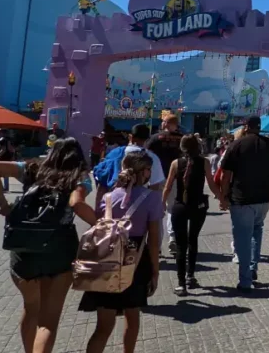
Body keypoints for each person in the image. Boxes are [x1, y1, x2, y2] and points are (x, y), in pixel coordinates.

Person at [0, 138, 96, 353]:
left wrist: (4, 205)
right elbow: (77, 203)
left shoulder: (32, 169)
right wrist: (101, 224)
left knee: (30, 307)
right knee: (48, 321)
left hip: (23, 250)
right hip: (59, 251)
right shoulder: (79, 177)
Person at [81, 151, 162, 353]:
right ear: (144, 172)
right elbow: (153, 240)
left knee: (103, 326)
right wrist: (155, 270)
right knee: (132, 318)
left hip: (106, 259)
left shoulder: (108, 197)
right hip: (134, 261)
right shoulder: (152, 198)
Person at [218, 116, 269, 292]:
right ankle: (253, 268)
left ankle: (245, 280)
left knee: (242, 238)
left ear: (246, 127)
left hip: (241, 199)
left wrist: (223, 196)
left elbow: (225, 174)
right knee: (257, 230)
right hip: (263, 198)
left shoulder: (236, 145)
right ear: (259, 127)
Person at [162, 135, 223, 296]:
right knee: (192, 240)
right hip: (198, 207)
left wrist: (161, 204)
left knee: (180, 245)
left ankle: (181, 284)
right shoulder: (205, 162)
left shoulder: (175, 163)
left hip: (179, 206)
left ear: (182, 148)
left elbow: (168, 186)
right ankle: (191, 276)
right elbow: (211, 183)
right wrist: (222, 199)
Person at [91, 124, 165, 197]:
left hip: (115, 199)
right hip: (140, 201)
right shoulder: (153, 158)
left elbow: (102, 178)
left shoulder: (115, 153)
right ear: (148, 140)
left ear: (131, 137)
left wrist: (100, 205)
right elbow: (155, 186)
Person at [146, 115, 183, 255]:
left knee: (157, 212)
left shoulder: (155, 138)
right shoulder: (182, 138)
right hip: (175, 178)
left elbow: (146, 155)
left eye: (163, 121)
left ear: (167, 123)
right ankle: (172, 238)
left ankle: (157, 244)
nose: (162, 123)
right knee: (172, 209)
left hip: (157, 178)